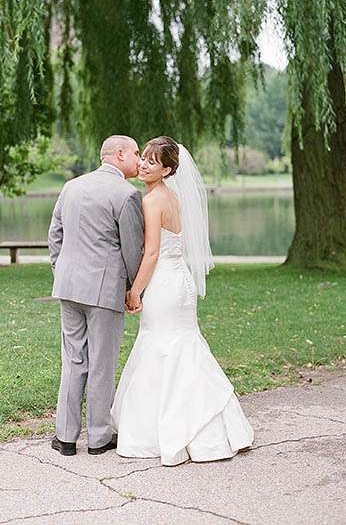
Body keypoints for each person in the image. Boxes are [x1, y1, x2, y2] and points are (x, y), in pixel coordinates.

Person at [111, 136, 254, 466]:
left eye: (151, 160)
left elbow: (151, 253)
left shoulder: (151, 201)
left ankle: (163, 430)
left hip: (163, 283)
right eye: (142, 158)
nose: (143, 164)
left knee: (161, 346)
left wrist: (134, 292)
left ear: (167, 168)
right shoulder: (174, 197)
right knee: (184, 345)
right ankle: (212, 427)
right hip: (181, 284)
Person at [48, 135, 144, 456]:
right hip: (104, 290)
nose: (139, 159)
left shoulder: (71, 186)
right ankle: (99, 437)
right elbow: (133, 249)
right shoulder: (127, 194)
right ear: (119, 154)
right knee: (102, 363)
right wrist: (134, 289)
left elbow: (55, 236)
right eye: (135, 153)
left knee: (73, 359)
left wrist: (62, 272)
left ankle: (65, 437)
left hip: (68, 287)